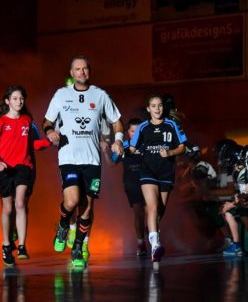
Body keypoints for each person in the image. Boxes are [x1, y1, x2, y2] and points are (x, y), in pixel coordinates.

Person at [43, 55, 124, 268]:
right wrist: (50, 131)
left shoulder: (100, 95)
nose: (82, 72)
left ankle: (78, 246)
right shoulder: (61, 95)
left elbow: (116, 121)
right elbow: (47, 121)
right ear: (71, 73)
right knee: (71, 201)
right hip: (69, 157)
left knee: (87, 206)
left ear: (90, 71)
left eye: (85, 69)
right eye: (77, 69)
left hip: (92, 160)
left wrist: (118, 141)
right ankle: (62, 225)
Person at [0, 85, 50, 266]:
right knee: (8, 208)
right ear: (7, 101)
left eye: (21, 99)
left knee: (20, 203)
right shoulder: (1, 123)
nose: (19, 102)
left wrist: (51, 141)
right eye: (15, 98)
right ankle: (6, 245)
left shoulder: (28, 121)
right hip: (5, 170)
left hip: (23, 167)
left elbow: (36, 144)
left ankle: (22, 246)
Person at [129, 93, 187, 262]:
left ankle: (152, 228)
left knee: (160, 210)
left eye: (160, 105)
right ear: (148, 109)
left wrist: (170, 152)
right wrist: (119, 149)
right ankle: (156, 245)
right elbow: (132, 148)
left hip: (166, 172)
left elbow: (182, 147)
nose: (157, 109)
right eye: (153, 106)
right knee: (152, 207)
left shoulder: (171, 125)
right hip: (147, 172)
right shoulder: (143, 127)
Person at [109, 118, 148, 257]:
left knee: (152, 210)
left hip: (148, 181)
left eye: (138, 131)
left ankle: (151, 231)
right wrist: (104, 151)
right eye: (132, 131)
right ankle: (141, 244)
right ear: (127, 132)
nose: (135, 133)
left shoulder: (147, 145)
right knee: (138, 212)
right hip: (131, 183)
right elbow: (112, 163)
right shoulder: (124, 146)